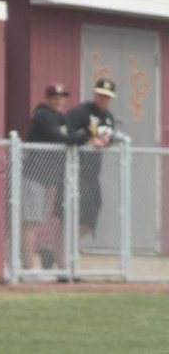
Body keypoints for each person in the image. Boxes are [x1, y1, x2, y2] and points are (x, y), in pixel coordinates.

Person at [20, 83, 88, 270]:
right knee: (30, 222)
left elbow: (70, 135)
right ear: (47, 98)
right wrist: (80, 137)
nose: (59, 100)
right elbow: (58, 138)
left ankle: (27, 265)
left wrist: (82, 135)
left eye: (61, 97)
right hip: (32, 176)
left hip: (45, 178)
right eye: (55, 97)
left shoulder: (60, 117)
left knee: (35, 221)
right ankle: (27, 267)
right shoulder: (43, 115)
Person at [64, 78, 116, 247]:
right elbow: (66, 131)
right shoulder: (82, 111)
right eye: (100, 95)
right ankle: (67, 247)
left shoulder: (108, 117)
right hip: (75, 169)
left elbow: (109, 137)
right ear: (95, 93)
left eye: (107, 97)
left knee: (95, 205)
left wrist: (107, 141)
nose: (103, 99)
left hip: (93, 171)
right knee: (72, 208)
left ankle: (74, 243)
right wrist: (87, 140)